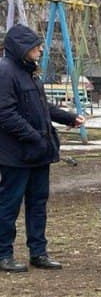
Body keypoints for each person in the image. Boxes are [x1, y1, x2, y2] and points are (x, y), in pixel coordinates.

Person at [0, 25, 86, 272]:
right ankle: (3, 253)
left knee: (38, 203)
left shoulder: (29, 73)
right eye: (36, 46)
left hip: (37, 153)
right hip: (16, 154)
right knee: (9, 204)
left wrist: (68, 118)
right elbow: (6, 114)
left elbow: (41, 106)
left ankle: (38, 252)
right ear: (22, 49)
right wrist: (35, 136)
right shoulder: (6, 72)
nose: (41, 49)